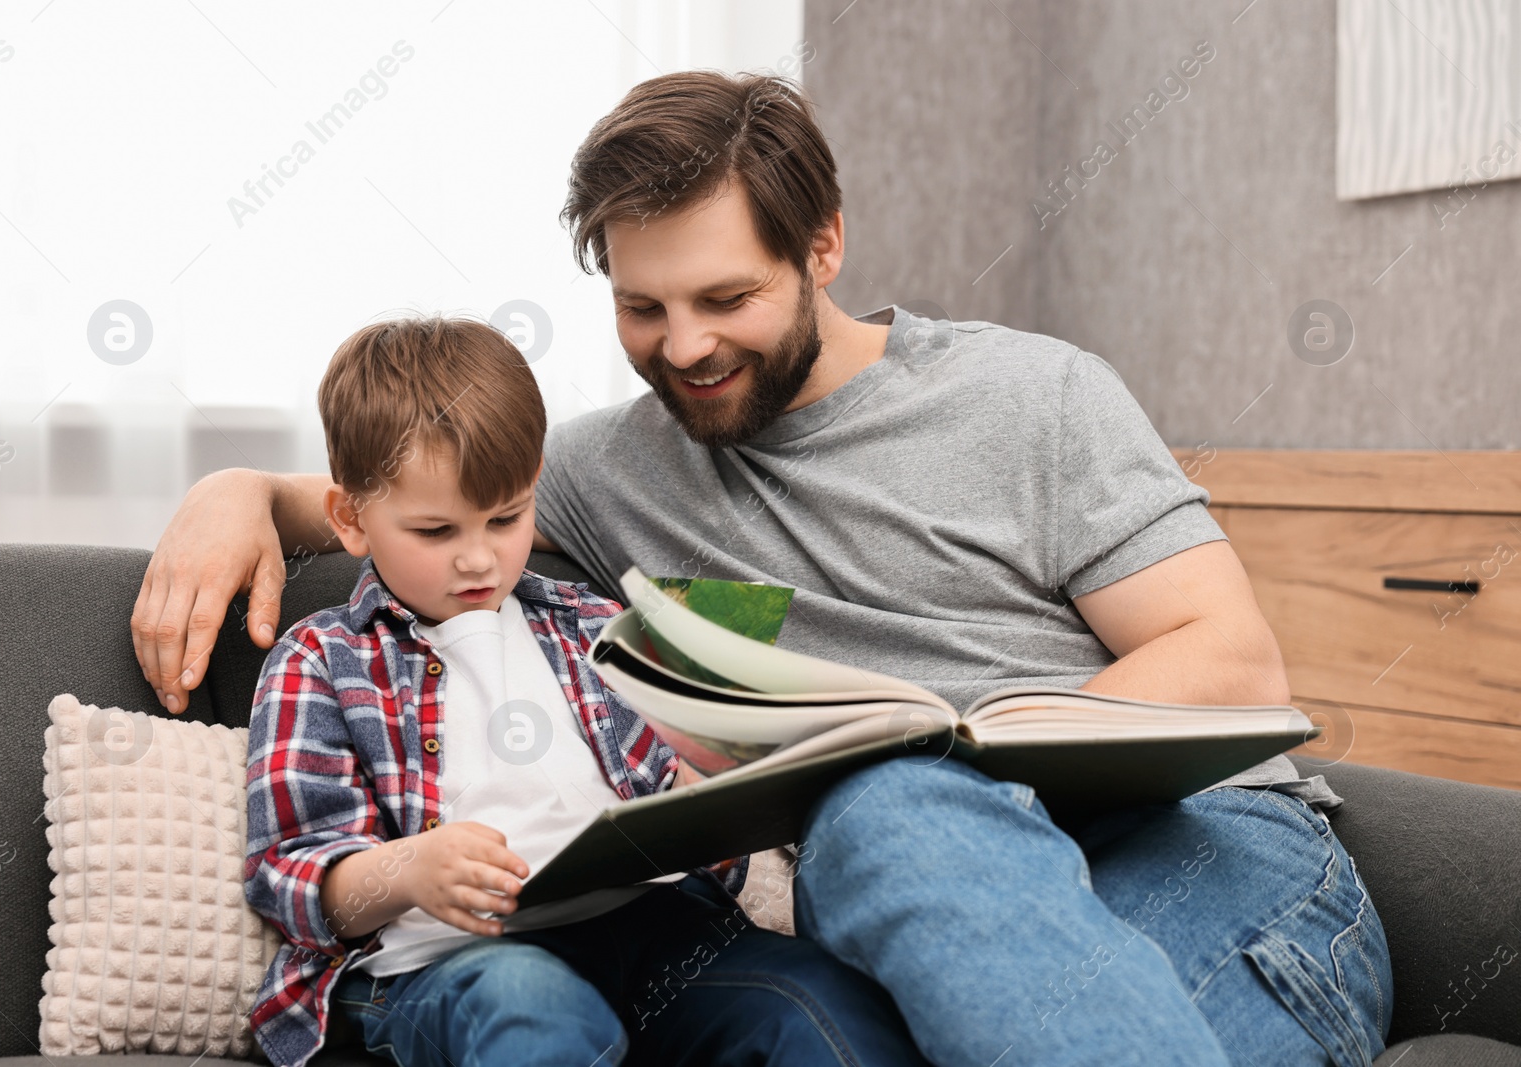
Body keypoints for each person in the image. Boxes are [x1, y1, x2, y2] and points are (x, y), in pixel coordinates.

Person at [148, 72, 1390, 1066]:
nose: (682, 348)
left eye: (724, 295)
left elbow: (1229, 659)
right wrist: (232, 495)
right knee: (867, 853)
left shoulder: (1030, 395)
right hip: (913, 916)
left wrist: (963, 755)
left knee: (894, 799)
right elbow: (420, 501)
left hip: (1195, 855)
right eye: (642, 308)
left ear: (824, 246)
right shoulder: (597, 471)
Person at [241, 316, 925, 1067]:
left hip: (655, 924)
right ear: (351, 518)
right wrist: (412, 869)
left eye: (506, 518)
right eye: (437, 531)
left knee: (819, 1005)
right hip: (455, 959)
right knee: (535, 1017)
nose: (478, 558)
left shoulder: (600, 628)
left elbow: (696, 821)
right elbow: (291, 873)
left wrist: (715, 794)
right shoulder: (323, 656)